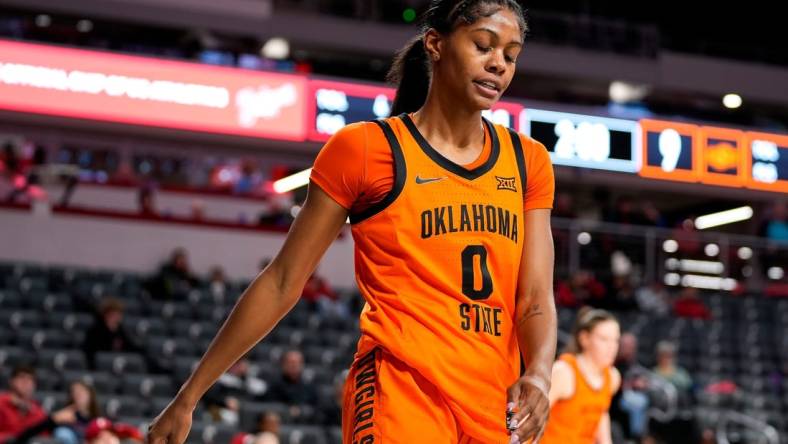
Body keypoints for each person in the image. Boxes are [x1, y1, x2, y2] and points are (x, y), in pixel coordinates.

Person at [147, 1, 557, 443]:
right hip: (398, 389)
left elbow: (534, 296)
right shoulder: (364, 150)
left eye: (510, 55)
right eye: (483, 46)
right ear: (435, 44)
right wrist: (189, 396)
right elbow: (282, 281)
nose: (498, 63)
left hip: (492, 403)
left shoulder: (527, 161)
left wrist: (538, 375)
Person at [540, 308, 621, 444]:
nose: (612, 347)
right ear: (584, 339)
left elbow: (601, 413)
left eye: (616, 340)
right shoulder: (563, 372)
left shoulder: (613, 377)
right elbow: (532, 418)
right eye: (604, 339)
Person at [83, 298, 142, 369]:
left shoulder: (120, 331)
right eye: (115, 314)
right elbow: (90, 352)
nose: (118, 317)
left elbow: (130, 346)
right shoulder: (95, 331)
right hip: (99, 366)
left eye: (119, 314)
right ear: (107, 314)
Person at [0, 366, 47, 442]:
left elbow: (44, 438)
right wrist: (12, 439)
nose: (26, 382)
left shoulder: (38, 412)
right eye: (21, 378)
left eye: (30, 379)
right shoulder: (1, 403)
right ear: (11, 381)